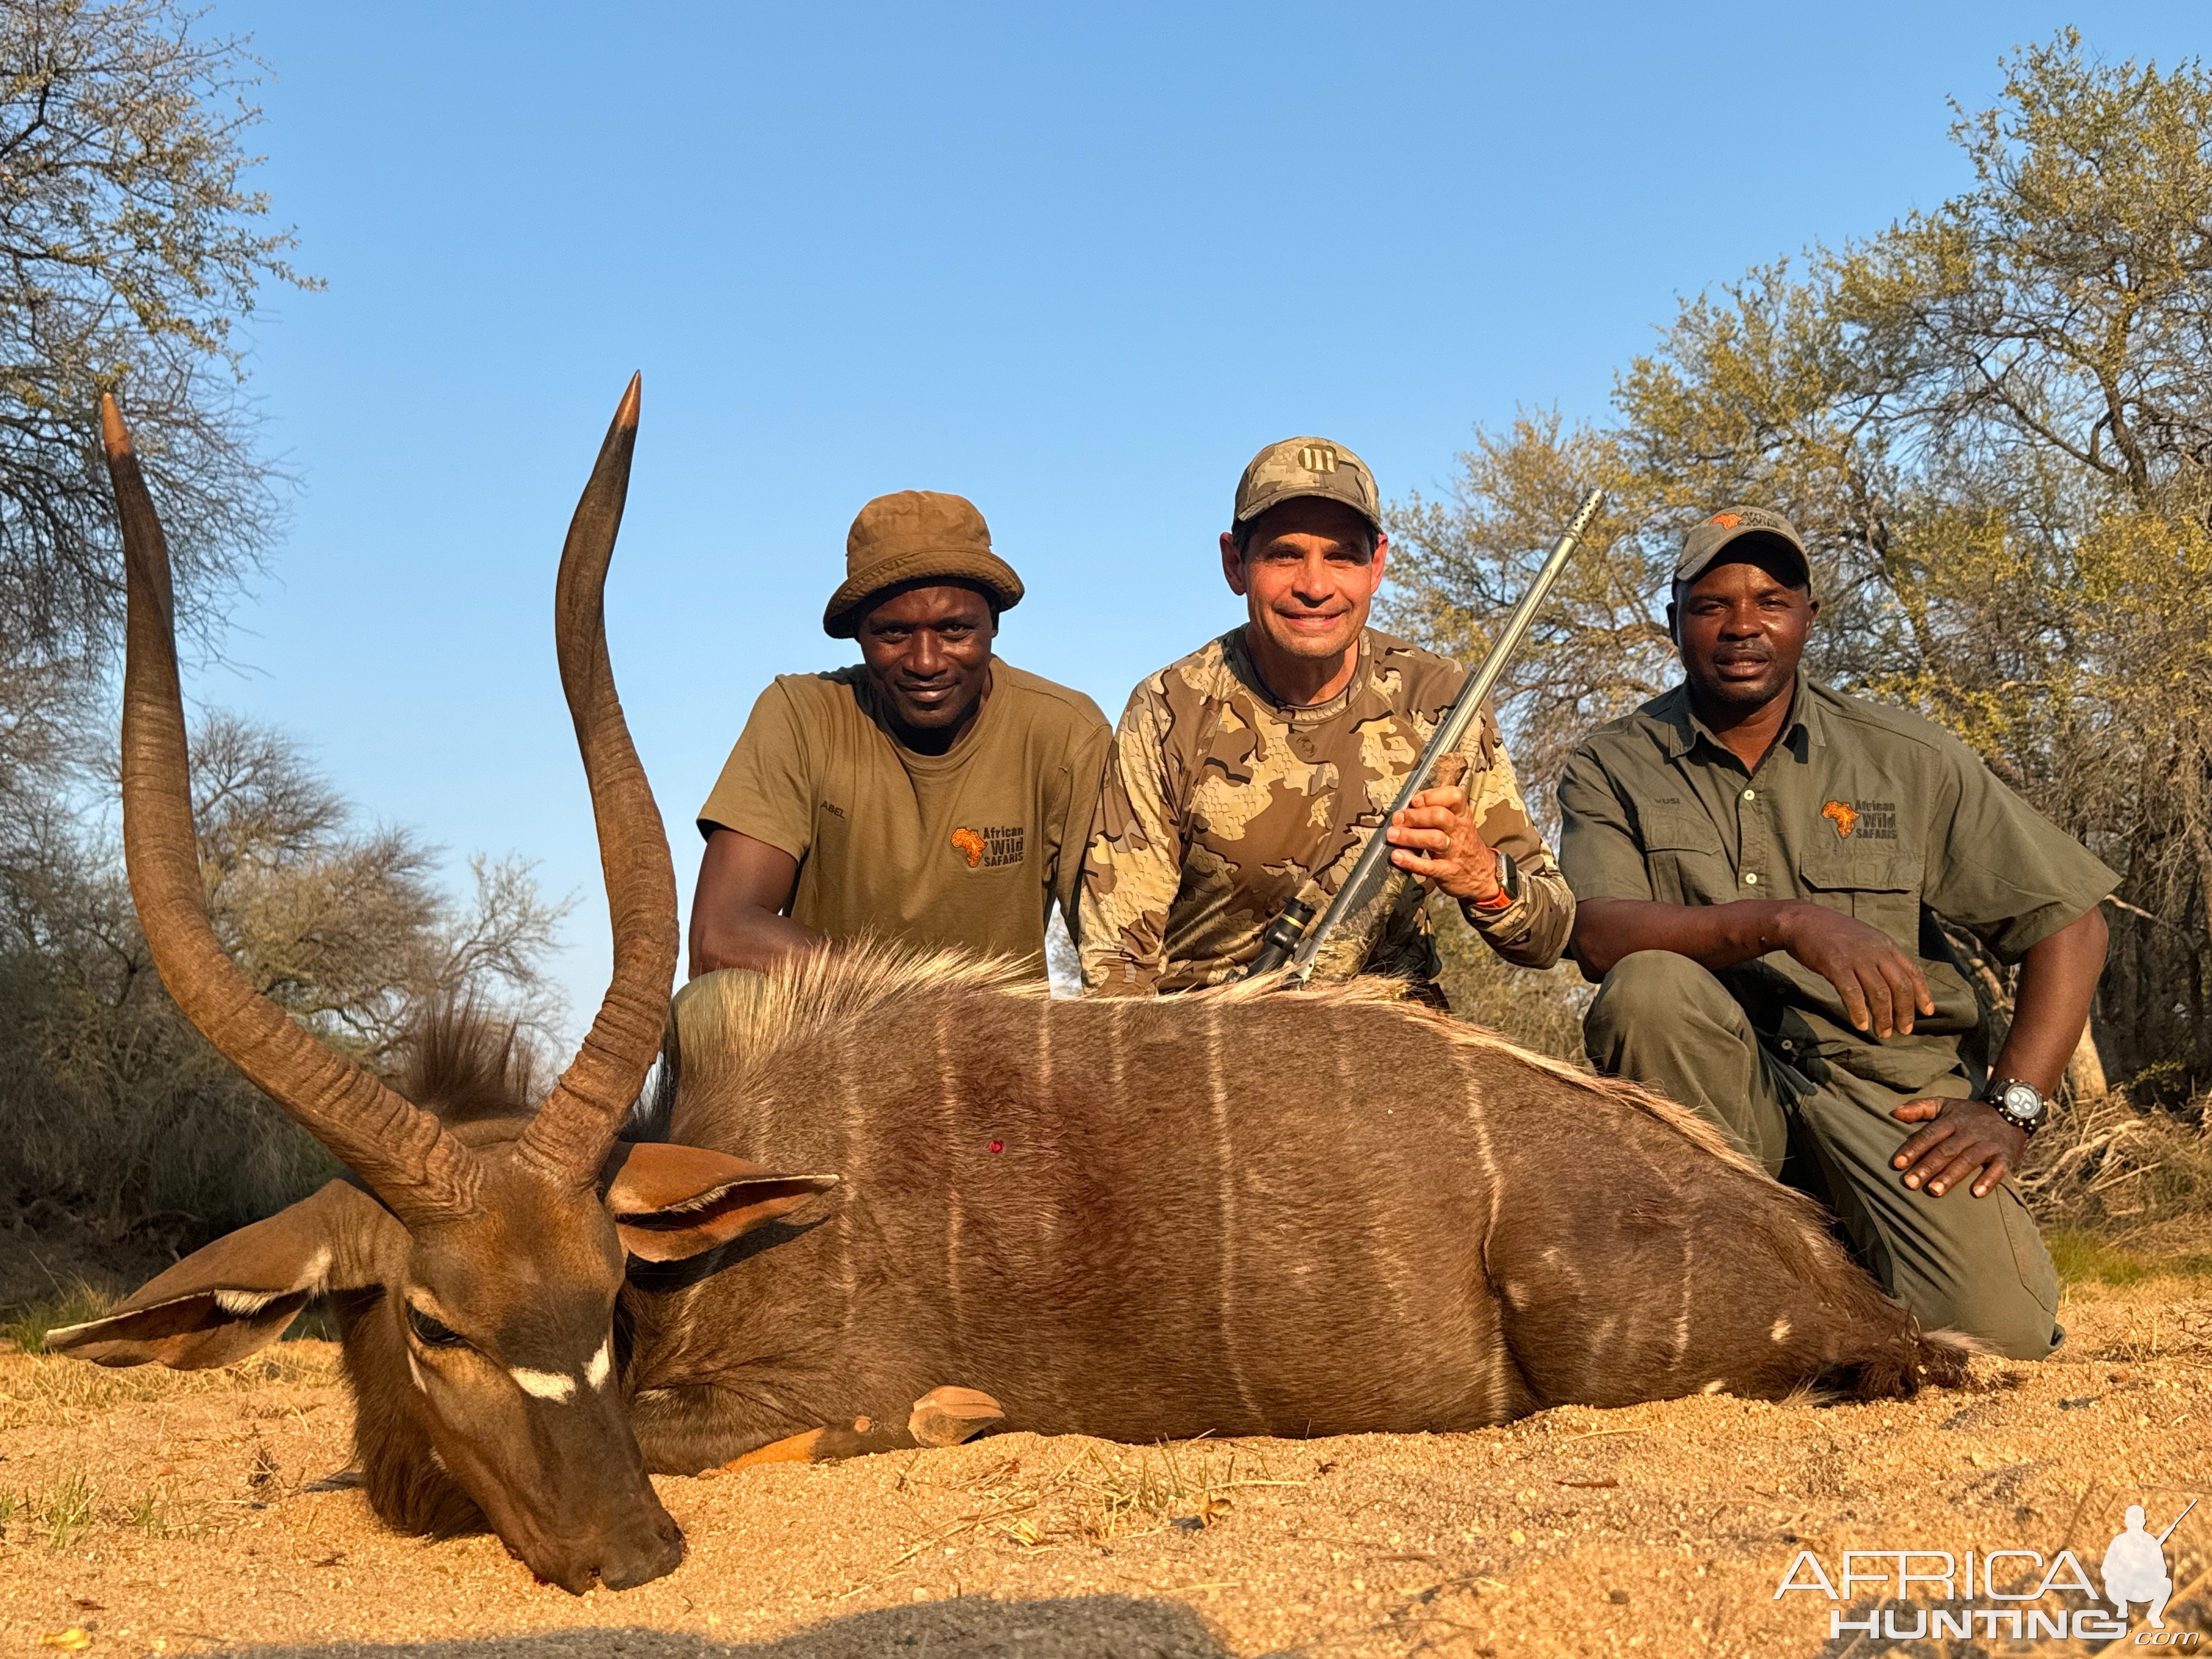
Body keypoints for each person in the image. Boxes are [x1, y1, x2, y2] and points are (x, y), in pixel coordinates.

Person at [1558, 505, 2114, 1359]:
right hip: (1716, 1101)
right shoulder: (1614, 761)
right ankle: (1735, 1280)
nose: (1743, 626)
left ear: (1809, 619)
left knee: (1996, 1339)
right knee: (1650, 990)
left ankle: (1837, 1265)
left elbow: (2069, 922)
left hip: (1887, 1091)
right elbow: (1598, 935)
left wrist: (2012, 1109)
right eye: (1711, 605)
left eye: (1771, 601)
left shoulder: (1906, 754)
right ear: (1674, 623)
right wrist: (1787, 921)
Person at [1080, 436, 1572, 997]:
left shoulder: (1444, 699)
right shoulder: (1171, 707)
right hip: (1212, 1040)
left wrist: (1483, 876)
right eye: (1285, 554)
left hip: (1389, 1030)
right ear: (1235, 564)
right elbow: (1116, 970)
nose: (1315, 586)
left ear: (1377, 565)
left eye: (1342, 556)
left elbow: (1550, 930)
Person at [689, 490, 1109, 981]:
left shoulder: (1066, 733)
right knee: (708, 1006)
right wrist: (912, 1003)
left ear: (993, 622)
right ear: (858, 633)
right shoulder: (800, 716)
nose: (925, 662)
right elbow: (720, 936)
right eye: (893, 634)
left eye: (955, 630)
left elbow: (1118, 948)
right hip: (833, 1035)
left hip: (1000, 1048)